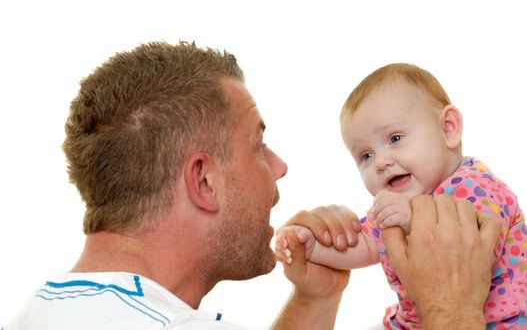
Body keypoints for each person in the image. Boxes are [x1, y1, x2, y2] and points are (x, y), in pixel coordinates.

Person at [4, 44, 499, 330]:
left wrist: (316, 299)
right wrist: (452, 309)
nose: (280, 167)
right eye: (258, 147)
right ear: (204, 180)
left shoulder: (72, 310)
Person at [275, 63, 527, 329]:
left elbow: (477, 246)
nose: (380, 162)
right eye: (366, 156)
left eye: (395, 138)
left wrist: (411, 220)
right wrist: (313, 246)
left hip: (503, 322)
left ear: (448, 128)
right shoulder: (397, 204)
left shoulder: (474, 185)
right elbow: (363, 242)